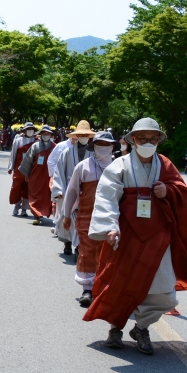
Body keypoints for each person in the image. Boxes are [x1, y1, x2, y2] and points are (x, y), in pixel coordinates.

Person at [84, 118, 187, 355]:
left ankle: (142, 327)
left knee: (163, 292)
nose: (148, 143)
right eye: (143, 139)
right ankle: (115, 328)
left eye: (153, 139)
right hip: (125, 236)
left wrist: (168, 191)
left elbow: (182, 191)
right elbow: (106, 199)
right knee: (119, 283)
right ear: (133, 140)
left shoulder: (165, 165)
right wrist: (110, 227)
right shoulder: (118, 166)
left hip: (158, 237)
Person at [62, 131, 116, 307]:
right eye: (100, 144)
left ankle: (105, 288)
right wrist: (66, 214)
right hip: (87, 217)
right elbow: (72, 191)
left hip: (112, 219)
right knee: (87, 253)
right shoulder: (84, 167)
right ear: (94, 146)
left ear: (112, 146)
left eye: (107, 144)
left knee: (109, 253)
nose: (103, 147)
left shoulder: (119, 168)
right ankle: (87, 289)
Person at [51, 121, 94, 255]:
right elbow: (59, 172)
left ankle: (79, 247)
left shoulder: (93, 154)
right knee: (66, 216)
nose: (83, 137)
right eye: (81, 134)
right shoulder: (67, 152)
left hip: (86, 191)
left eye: (86, 135)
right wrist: (58, 190)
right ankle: (67, 243)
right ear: (76, 136)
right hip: (68, 189)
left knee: (82, 219)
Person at [18, 124, 57, 226]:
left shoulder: (55, 147)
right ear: (40, 135)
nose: (45, 135)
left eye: (47, 133)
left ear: (50, 135)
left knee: (46, 195)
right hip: (35, 175)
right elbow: (28, 160)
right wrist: (27, 174)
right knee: (34, 194)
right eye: (44, 133)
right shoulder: (35, 146)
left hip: (48, 175)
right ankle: (37, 214)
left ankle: (42, 213)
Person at [8, 122, 36, 217]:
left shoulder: (36, 141)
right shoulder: (18, 140)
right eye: (28, 129)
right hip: (19, 169)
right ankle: (16, 206)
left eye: (32, 129)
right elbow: (13, 154)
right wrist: (10, 167)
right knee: (16, 187)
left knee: (27, 189)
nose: (30, 131)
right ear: (24, 130)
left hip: (30, 169)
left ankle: (24, 209)